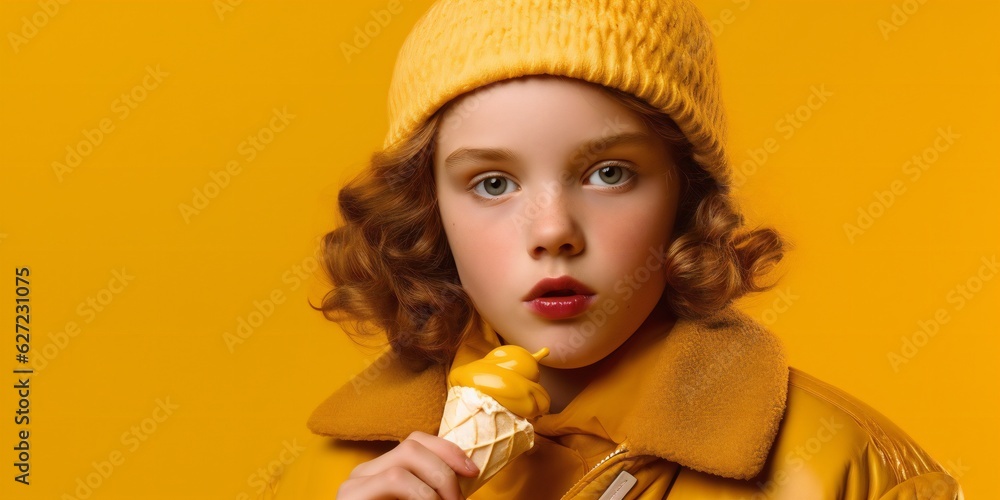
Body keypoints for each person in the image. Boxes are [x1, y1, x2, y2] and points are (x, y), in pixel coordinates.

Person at [268, 0, 965, 498]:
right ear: (428, 211)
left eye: (609, 173)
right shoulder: (323, 482)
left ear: (686, 198)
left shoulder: (852, 473)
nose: (552, 231)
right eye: (491, 182)